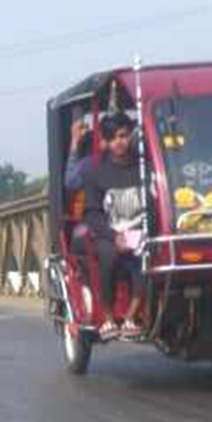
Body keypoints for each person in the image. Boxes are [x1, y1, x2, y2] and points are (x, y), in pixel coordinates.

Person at [64, 111, 146, 337]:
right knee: (108, 254)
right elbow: (92, 214)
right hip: (108, 233)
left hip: (138, 231)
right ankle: (108, 317)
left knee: (148, 253)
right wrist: (114, 236)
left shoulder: (144, 168)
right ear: (106, 142)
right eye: (113, 138)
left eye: (124, 136)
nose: (119, 142)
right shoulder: (94, 170)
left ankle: (131, 317)